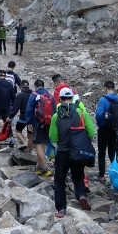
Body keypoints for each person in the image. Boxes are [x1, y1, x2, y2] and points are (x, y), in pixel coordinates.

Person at [50, 88, 95, 217]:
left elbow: (53, 137)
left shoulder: (56, 116)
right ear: (72, 98)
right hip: (78, 151)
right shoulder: (81, 112)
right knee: (78, 177)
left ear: (60, 99)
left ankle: (61, 209)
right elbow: (91, 131)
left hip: (63, 152)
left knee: (59, 180)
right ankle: (81, 195)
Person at [25, 78, 54, 177]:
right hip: (48, 123)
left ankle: (45, 168)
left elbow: (29, 110)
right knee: (42, 144)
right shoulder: (49, 95)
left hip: (37, 122)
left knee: (37, 145)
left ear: (35, 86)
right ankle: (39, 166)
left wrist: (29, 123)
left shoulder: (34, 95)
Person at [94, 81, 118, 183]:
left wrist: (101, 124)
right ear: (114, 88)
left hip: (104, 129)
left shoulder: (103, 99)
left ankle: (101, 175)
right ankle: (114, 173)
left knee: (101, 152)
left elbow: (99, 114)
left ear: (105, 88)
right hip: (115, 130)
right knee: (112, 152)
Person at [9, 79, 32, 148]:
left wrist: (10, 116)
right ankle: (30, 152)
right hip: (32, 118)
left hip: (23, 117)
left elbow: (15, 109)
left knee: (18, 131)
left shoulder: (20, 95)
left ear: (21, 87)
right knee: (30, 136)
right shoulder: (33, 94)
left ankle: (25, 143)